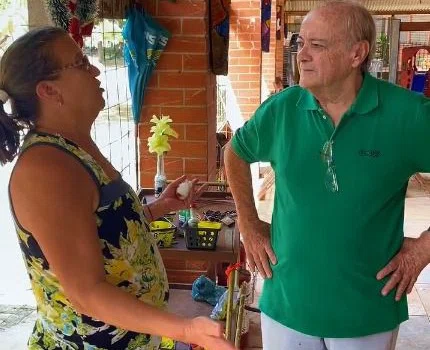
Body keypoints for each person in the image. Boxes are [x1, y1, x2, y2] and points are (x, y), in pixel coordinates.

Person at [0, 27, 235, 350]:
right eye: (81, 63)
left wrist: (158, 209)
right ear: (49, 91)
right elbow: (86, 292)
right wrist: (186, 329)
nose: (95, 69)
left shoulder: (75, 147)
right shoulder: (46, 168)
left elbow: (100, 232)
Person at [224, 1, 430, 349]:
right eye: (299, 43)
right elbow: (235, 151)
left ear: (357, 54)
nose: (301, 55)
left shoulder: (407, 115)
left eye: (316, 46)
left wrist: (424, 248)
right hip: (287, 302)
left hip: (365, 309)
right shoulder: (283, 108)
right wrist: (248, 221)